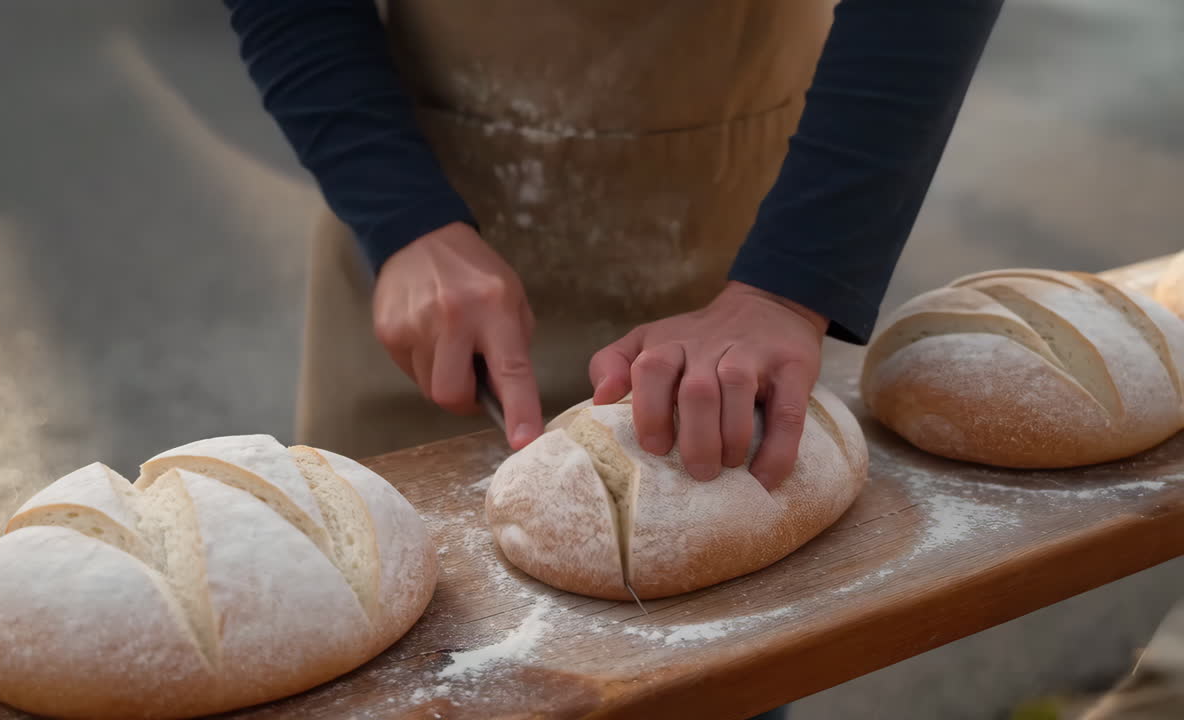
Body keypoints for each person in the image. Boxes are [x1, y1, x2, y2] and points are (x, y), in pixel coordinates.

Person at [222, 1, 1004, 717]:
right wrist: (397, 214)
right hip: (418, 219)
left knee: (710, 673)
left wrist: (792, 285)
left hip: (734, 227)